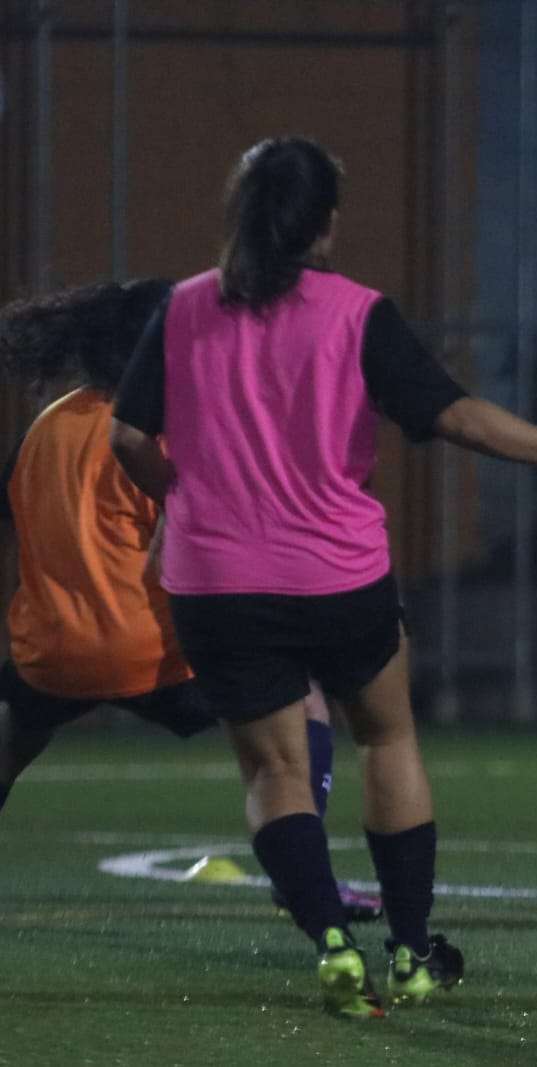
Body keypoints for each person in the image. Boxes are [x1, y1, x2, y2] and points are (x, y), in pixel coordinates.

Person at [109, 137, 537, 1019]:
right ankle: (413, 951)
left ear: (241, 214)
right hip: (339, 575)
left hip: (217, 579)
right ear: (327, 224)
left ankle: (333, 941)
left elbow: (128, 438)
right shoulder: (356, 313)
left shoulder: (183, 309)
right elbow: (456, 416)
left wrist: (187, 499)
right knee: (388, 738)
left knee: (274, 774)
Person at [0, 280, 379, 921]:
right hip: (156, 654)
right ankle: (301, 881)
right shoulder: (162, 431)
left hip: (50, 653)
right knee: (302, 697)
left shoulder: (44, 428)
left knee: (13, 739)